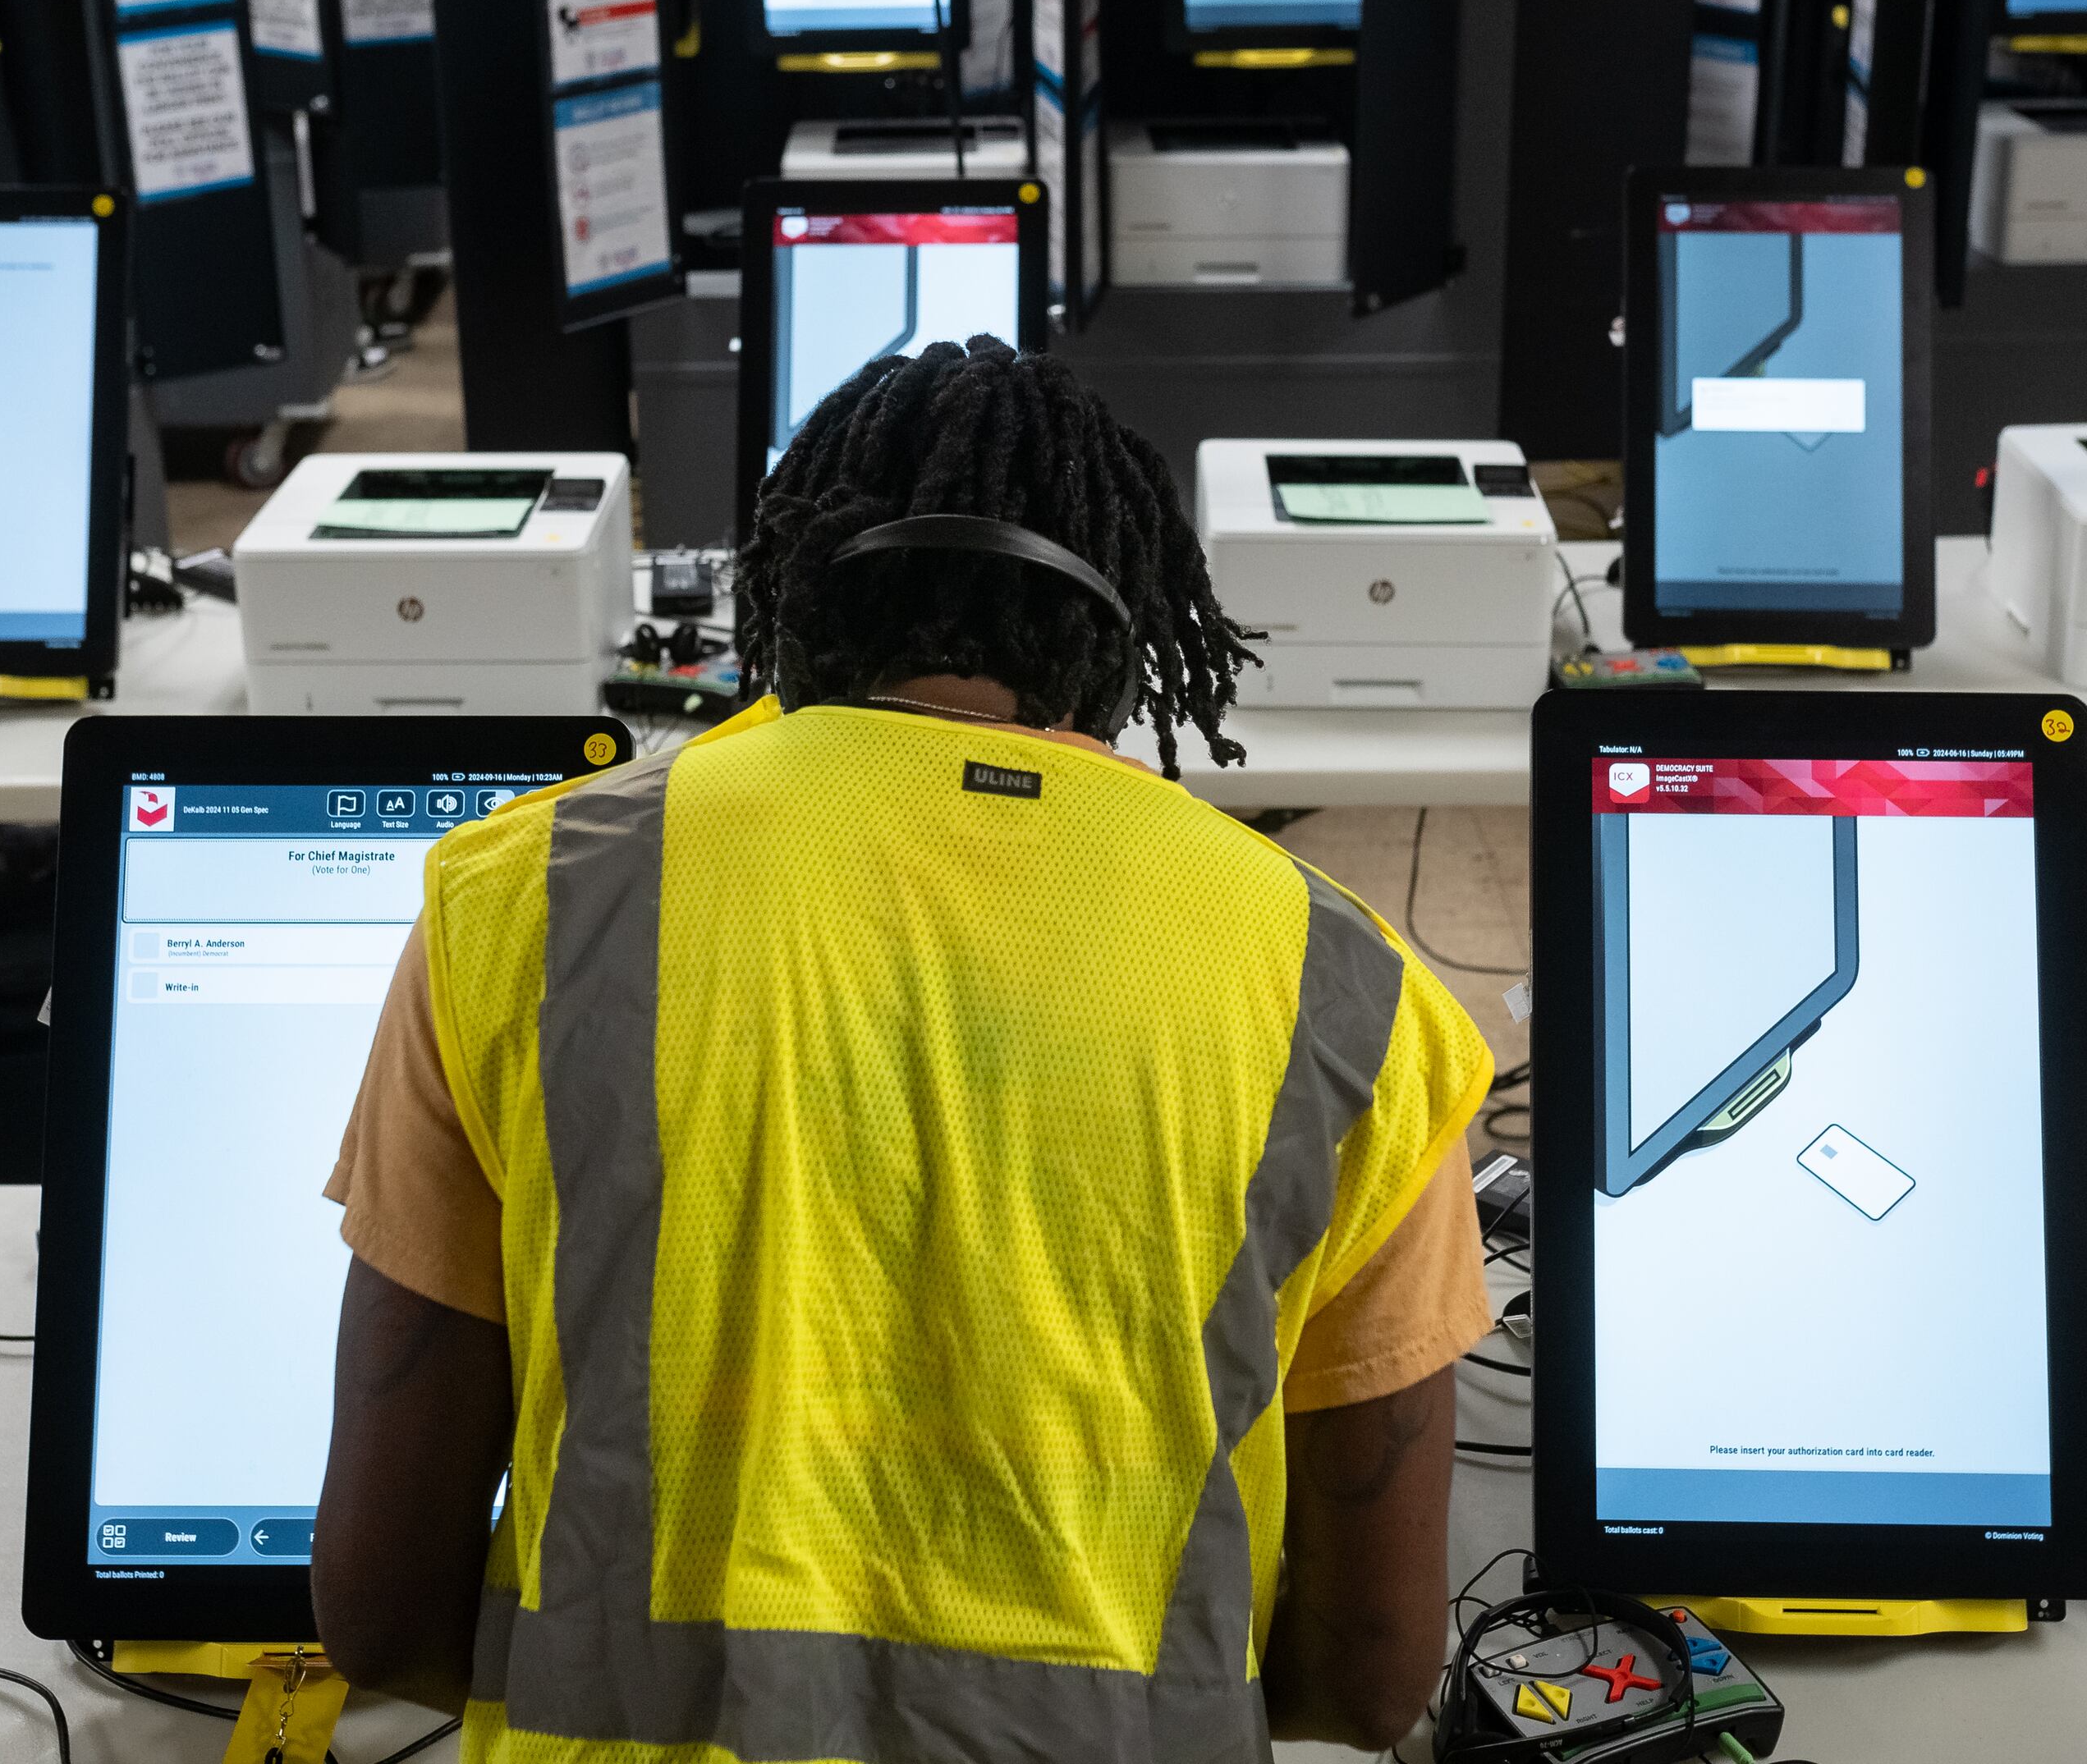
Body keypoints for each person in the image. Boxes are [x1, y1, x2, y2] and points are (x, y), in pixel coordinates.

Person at [314, 336, 1498, 1762]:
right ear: (1130, 643)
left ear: (786, 598)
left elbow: (381, 1616)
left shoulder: (525, 902)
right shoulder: (1350, 993)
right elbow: (1373, 1680)